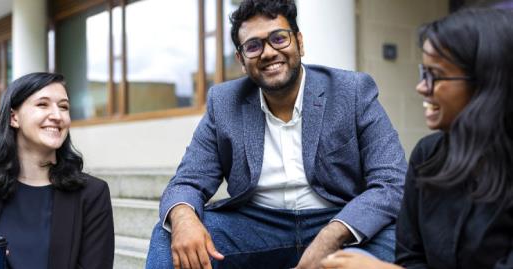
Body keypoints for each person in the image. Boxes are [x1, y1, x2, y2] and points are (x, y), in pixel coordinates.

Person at [146, 0, 407, 268]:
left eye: (279, 38)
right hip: (257, 227)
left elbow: (391, 181)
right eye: (253, 46)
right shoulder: (224, 103)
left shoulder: (351, 91)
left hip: (337, 218)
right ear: (241, 59)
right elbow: (187, 181)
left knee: (399, 243)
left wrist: (329, 236)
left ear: (300, 43)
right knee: (170, 237)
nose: (268, 52)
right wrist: (184, 218)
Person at [321, 8, 513, 269]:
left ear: (486, 83)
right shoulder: (427, 156)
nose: (421, 87)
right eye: (424, 73)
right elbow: (411, 257)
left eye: (435, 75)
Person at [0, 72, 115, 269]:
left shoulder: (93, 193)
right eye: (43, 104)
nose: (57, 116)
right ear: (13, 118)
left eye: (64, 107)